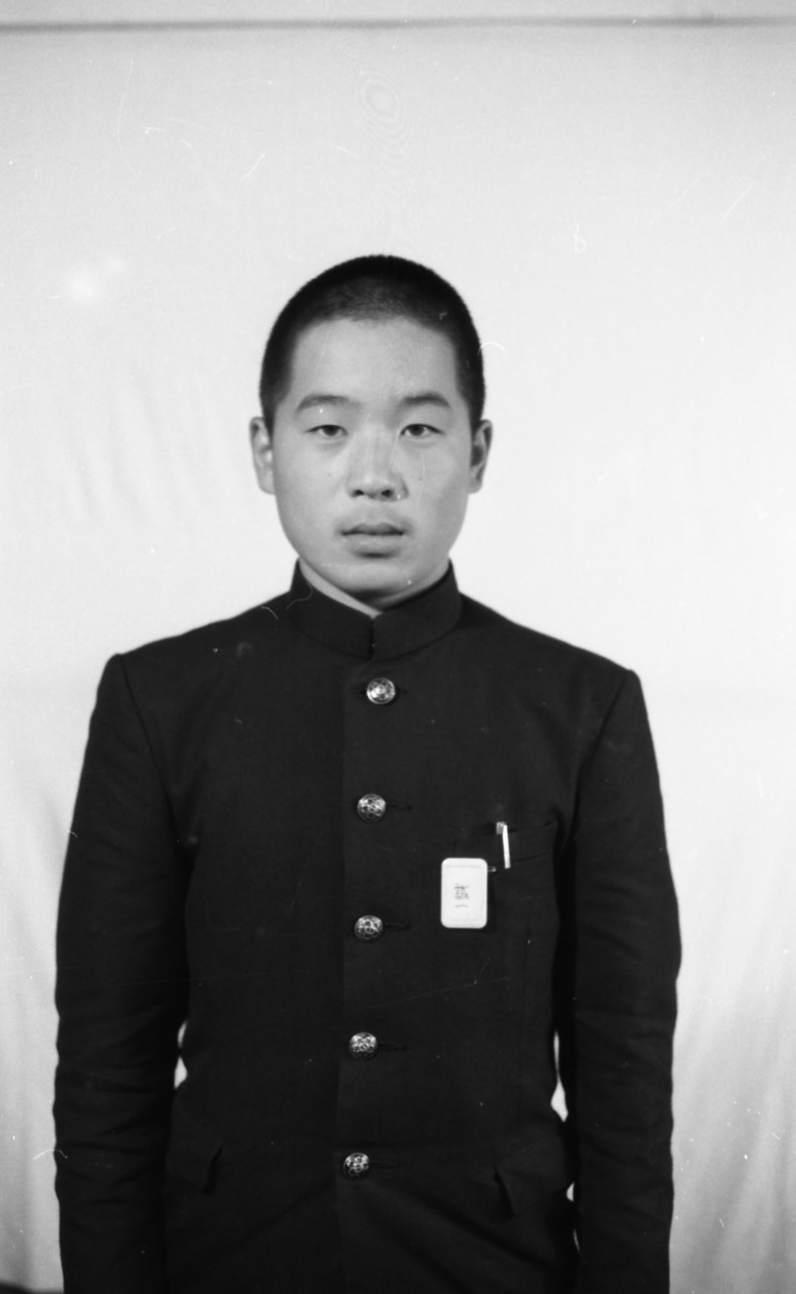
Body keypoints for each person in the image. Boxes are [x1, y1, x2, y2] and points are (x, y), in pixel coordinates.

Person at [54, 255, 680, 1293]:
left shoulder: (581, 706)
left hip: (490, 1267)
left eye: (420, 428)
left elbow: (625, 1075)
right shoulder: (159, 700)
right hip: (233, 1264)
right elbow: (105, 1067)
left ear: (478, 452)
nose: (375, 474)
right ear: (266, 451)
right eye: (328, 428)